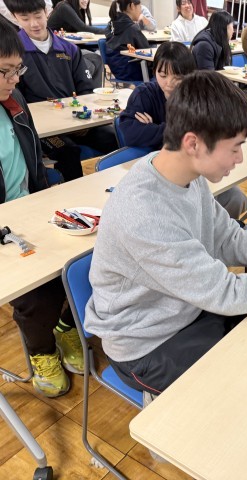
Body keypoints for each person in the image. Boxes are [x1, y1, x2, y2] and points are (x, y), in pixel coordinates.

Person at [85, 70, 247, 398]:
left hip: (188, 310)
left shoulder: (187, 175)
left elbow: (229, 238)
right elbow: (228, 294)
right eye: (235, 147)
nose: (240, 158)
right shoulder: (145, 214)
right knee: (246, 389)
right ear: (193, 143)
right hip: (147, 346)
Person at [0, 16, 83, 398]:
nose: (14, 80)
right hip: (5, 228)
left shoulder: (14, 103)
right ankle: (42, 352)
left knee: (86, 262)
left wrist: (47, 203)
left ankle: (66, 327)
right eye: (5, 71)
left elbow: (33, 165)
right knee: (37, 292)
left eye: (18, 70)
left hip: (30, 210)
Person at [119, 42, 247, 218]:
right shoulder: (144, 95)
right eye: (162, 75)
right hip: (161, 172)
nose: (169, 83)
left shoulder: (195, 98)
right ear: (154, 71)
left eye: (177, 77)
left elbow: (205, 133)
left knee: (237, 198)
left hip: (195, 169)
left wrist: (153, 129)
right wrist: (176, 131)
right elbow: (130, 133)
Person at [6, 0, 118, 180]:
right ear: (14, 18)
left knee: (115, 137)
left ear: (47, 12)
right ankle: (73, 195)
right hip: (43, 129)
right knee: (68, 152)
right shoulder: (13, 54)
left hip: (75, 120)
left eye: (38, 16)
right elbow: (15, 98)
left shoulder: (69, 49)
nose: (34, 24)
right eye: (25, 18)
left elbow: (86, 90)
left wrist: (81, 118)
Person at [105, 0, 150, 82]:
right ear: (132, 6)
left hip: (117, 71)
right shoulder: (132, 28)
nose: (141, 10)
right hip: (132, 72)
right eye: (140, 7)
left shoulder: (111, 24)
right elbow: (147, 52)